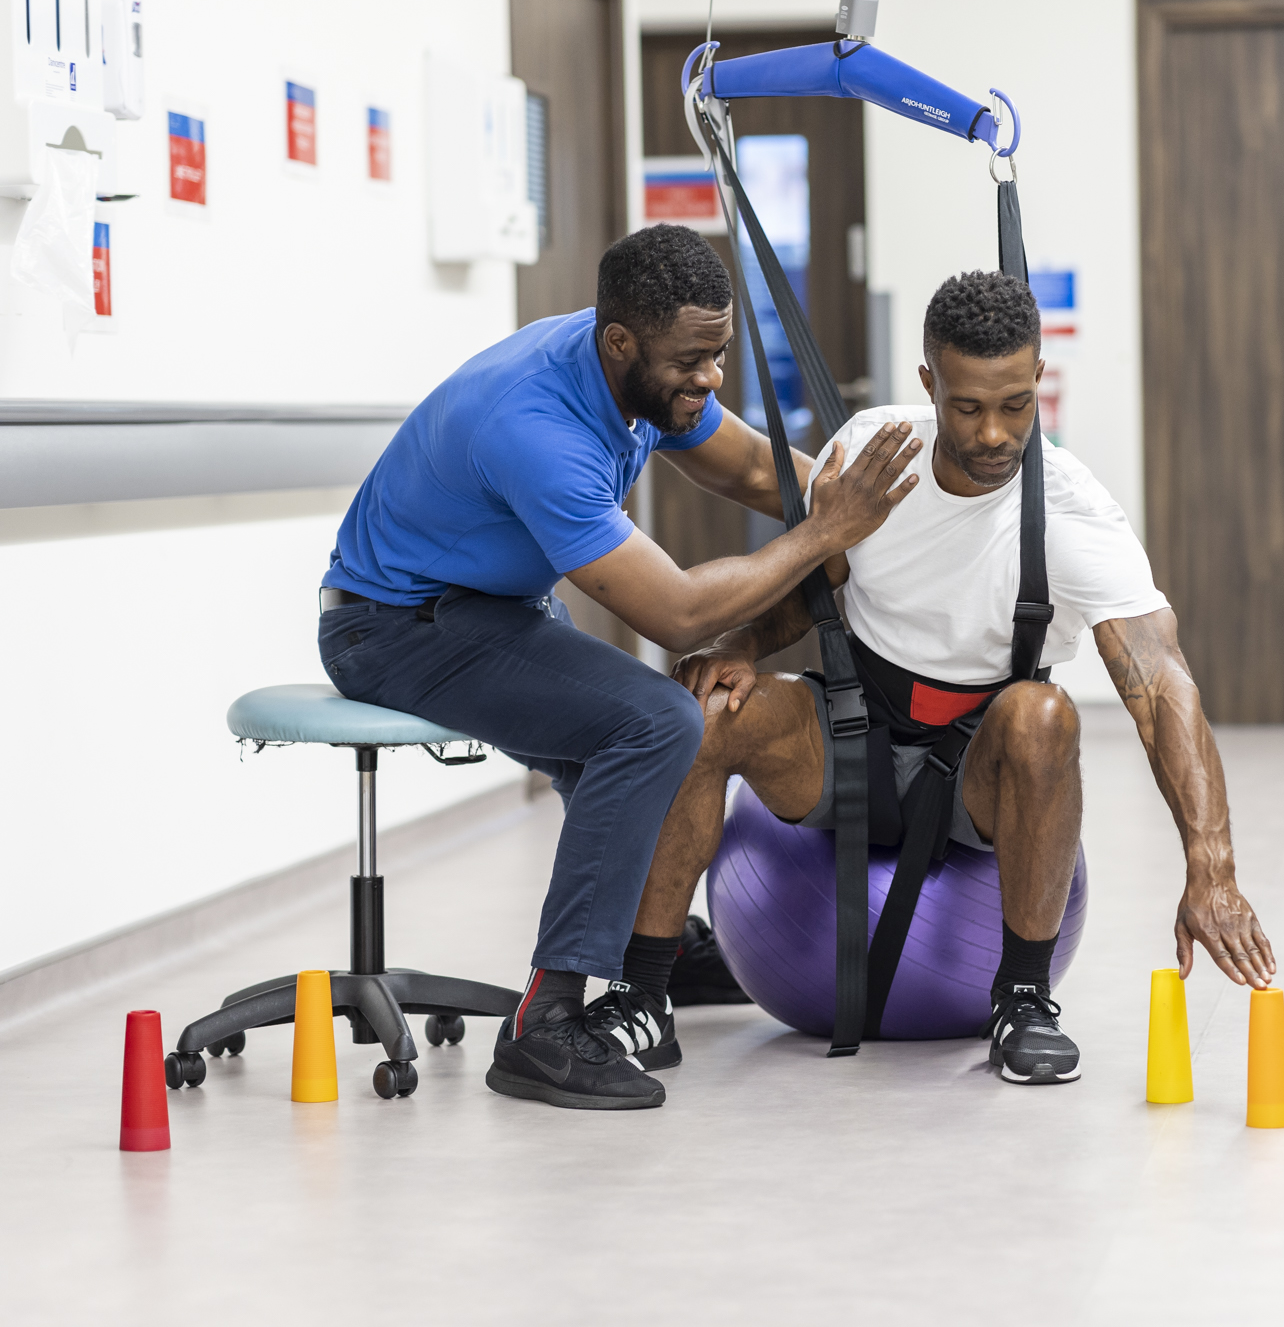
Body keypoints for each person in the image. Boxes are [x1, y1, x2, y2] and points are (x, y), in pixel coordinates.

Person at [595, 270, 1276, 1085]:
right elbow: (824, 584)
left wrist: (1213, 869)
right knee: (704, 714)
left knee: (1044, 716)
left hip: (977, 767)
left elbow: (1161, 682)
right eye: (968, 407)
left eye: (1015, 404)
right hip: (853, 729)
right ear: (929, 384)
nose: (994, 434)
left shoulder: (1071, 512)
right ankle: (644, 995)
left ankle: (1022, 999)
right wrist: (742, 646)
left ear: (1037, 382)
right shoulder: (874, 454)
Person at [317, 224, 922, 1110]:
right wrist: (824, 535)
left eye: (719, 354)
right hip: (393, 628)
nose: (711, 379)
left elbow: (758, 470)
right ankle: (546, 1021)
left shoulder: (638, 375)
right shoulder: (535, 424)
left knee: (629, 736)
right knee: (654, 721)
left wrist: (878, 515)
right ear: (621, 343)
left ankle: (661, 942)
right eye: (695, 360)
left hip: (489, 607)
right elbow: (676, 612)